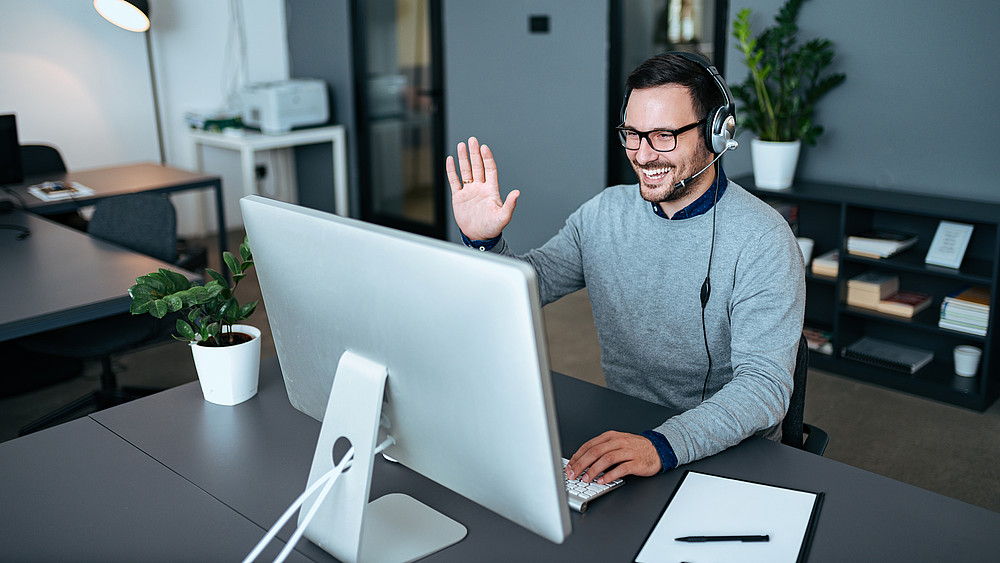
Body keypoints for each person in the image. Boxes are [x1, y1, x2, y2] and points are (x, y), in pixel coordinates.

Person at [445, 52, 805, 485]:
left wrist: (661, 445)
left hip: (727, 449)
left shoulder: (763, 239)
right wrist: (484, 242)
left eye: (663, 136)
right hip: (624, 429)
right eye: (632, 134)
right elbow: (527, 286)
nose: (643, 154)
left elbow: (763, 387)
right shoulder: (603, 214)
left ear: (716, 133)